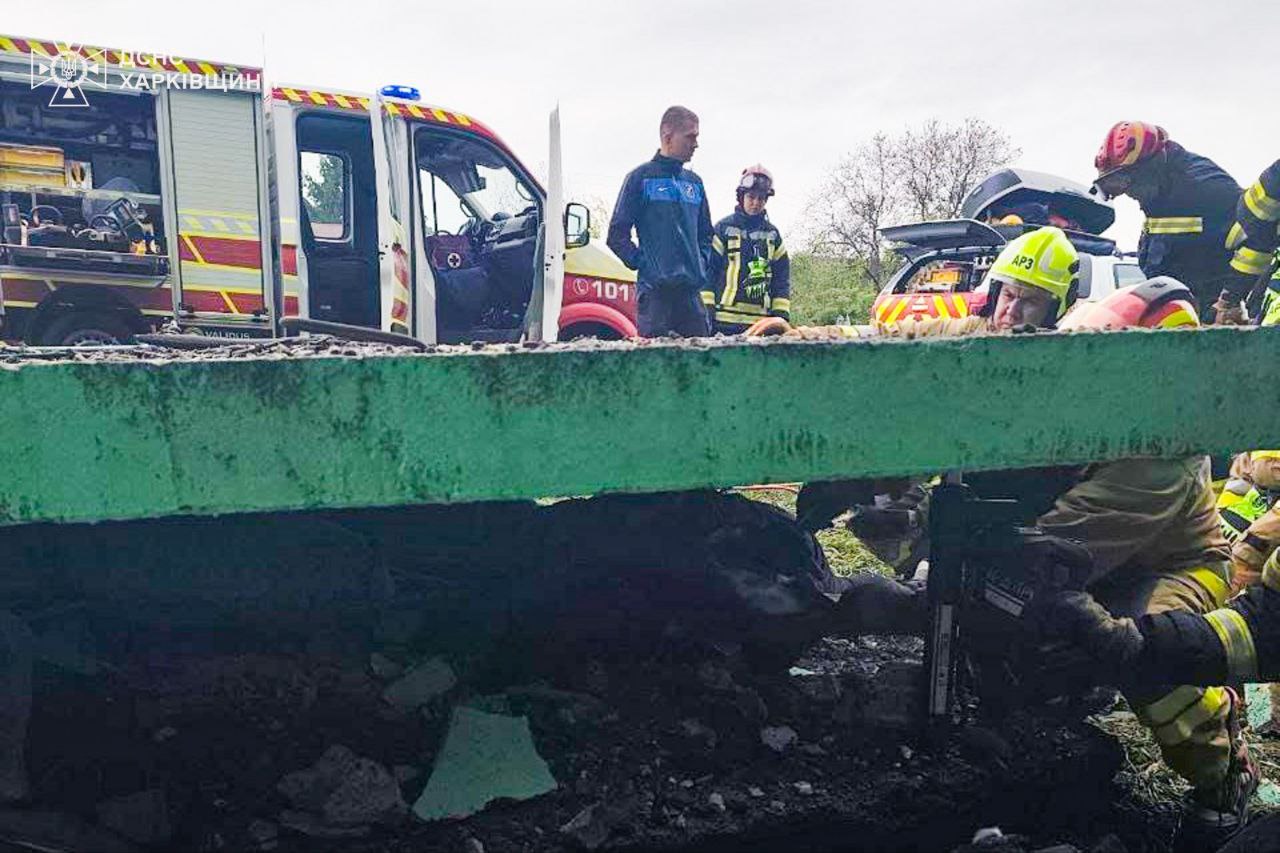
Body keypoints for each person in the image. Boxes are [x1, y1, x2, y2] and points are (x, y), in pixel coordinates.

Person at [828, 280, 1246, 850]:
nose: (1084, 376)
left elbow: (1047, 551)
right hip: (1077, 548)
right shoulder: (1061, 369)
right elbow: (912, 336)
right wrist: (808, 339)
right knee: (1006, 612)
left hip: (1169, 565)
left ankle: (1221, 776)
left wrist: (921, 547)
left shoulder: (1160, 457)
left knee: (1155, 657)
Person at [1092, 121, 1251, 323]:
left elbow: (1255, 243)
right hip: (1179, 306)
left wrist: (1230, 301)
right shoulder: (1157, 195)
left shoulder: (1208, 188)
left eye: (1126, 181)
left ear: (1150, 167)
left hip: (1213, 310)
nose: (1127, 192)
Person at [606, 106, 714, 338]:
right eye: (690, 136)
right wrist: (644, 264)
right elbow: (616, 235)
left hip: (691, 296)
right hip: (655, 298)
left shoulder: (695, 183)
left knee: (702, 367)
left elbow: (706, 235)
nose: (696, 144)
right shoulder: (640, 178)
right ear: (668, 136)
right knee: (656, 369)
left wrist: (700, 264)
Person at [705, 165, 791, 334]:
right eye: (751, 197)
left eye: (761, 198)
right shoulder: (723, 229)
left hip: (761, 323)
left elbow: (782, 279)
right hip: (723, 321)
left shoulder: (772, 235)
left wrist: (780, 316)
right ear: (741, 197)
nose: (755, 203)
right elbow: (708, 271)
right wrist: (706, 311)